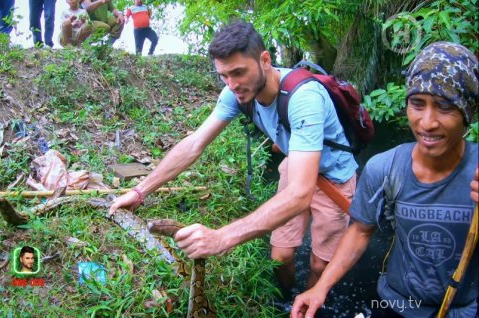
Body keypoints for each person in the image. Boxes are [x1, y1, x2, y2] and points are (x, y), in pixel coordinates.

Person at [109, 20, 358, 304]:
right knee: (280, 256)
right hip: (296, 165)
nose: (232, 84)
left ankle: (311, 302)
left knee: (318, 265)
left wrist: (222, 238)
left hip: (333, 178)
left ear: (265, 60)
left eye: (239, 72)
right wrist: (141, 190)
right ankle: (285, 302)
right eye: (224, 75)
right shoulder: (235, 93)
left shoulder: (304, 98)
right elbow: (194, 144)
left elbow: (300, 195)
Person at [291, 42, 478, 318]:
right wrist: (321, 287)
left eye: (444, 107)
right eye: (417, 104)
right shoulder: (384, 168)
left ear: (467, 112)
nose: (427, 122)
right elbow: (360, 231)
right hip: (394, 305)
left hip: (463, 310)